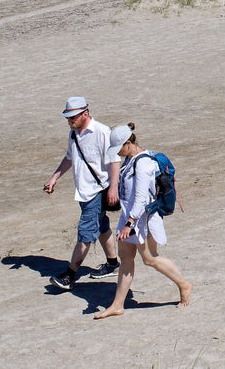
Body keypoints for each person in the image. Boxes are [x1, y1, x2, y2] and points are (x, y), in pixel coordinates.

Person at [94, 122, 193, 318]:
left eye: (119, 148)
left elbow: (141, 198)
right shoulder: (130, 160)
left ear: (129, 143)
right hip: (129, 217)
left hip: (142, 219)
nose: (118, 153)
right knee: (126, 259)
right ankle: (118, 304)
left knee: (150, 258)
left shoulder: (144, 163)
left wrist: (129, 224)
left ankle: (184, 285)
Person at [43, 96, 121, 288]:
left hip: (96, 191)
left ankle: (69, 275)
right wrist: (54, 178)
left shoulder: (102, 132)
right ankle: (113, 265)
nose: (69, 122)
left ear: (85, 114)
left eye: (72, 118)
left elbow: (115, 160)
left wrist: (113, 187)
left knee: (85, 234)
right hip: (84, 192)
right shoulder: (74, 134)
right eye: (67, 118)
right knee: (102, 227)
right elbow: (70, 158)